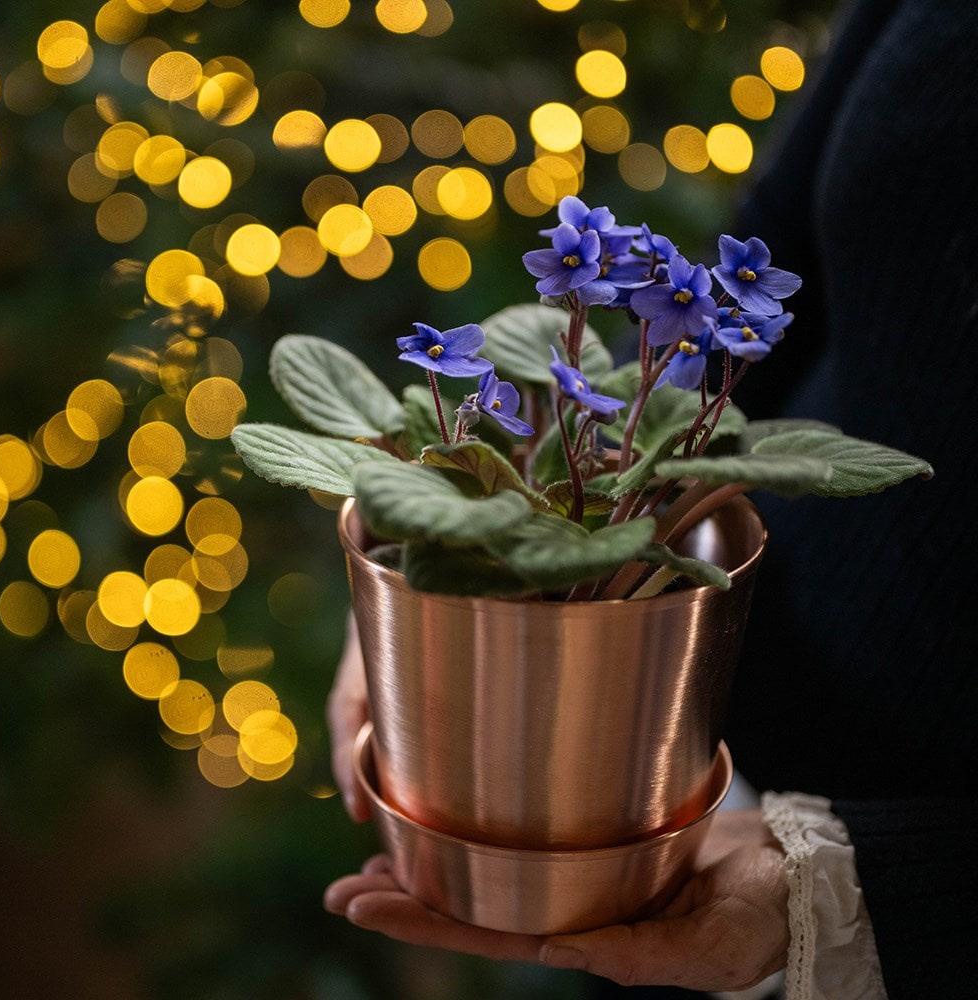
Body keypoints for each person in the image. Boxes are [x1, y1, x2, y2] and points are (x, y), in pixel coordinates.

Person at [322, 0, 978, 996]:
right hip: (658, 794)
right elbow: (771, 251)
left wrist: (862, 886)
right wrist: (421, 571)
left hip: (864, 928)